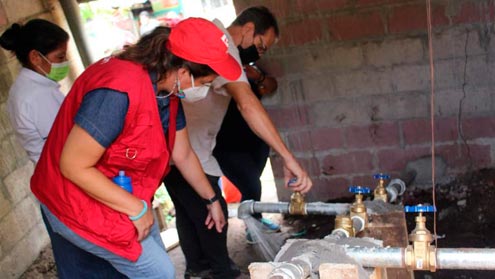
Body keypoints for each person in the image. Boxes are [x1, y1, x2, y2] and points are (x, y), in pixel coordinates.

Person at [30, 18, 241, 279]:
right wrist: (137, 209)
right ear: (184, 72)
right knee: (159, 271)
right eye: (205, 83)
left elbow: (183, 153)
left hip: (116, 193)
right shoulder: (118, 89)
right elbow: (73, 164)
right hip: (73, 197)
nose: (204, 90)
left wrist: (211, 200)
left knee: (150, 263)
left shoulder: (166, 92)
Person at [163, 6, 313, 278]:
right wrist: (288, 157)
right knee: (213, 217)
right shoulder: (221, 49)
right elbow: (248, 104)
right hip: (191, 154)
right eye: (260, 45)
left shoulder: (216, 43)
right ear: (247, 29)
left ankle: (197, 271)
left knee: (190, 218)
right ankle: (222, 272)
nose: (260, 53)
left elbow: (260, 91)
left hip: (177, 151)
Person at [0, 19, 126, 279]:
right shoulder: (35, 95)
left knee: (81, 263)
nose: (63, 63)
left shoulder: (35, 88)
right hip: (64, 188)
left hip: (56, 185)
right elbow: (68, 147)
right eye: (59, 57)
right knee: (93, 265)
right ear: (36, 57)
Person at [213, 61, 280, 234]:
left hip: (255, 139)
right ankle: (253, 226)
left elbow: (271, 86)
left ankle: (254, 223)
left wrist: (258, 76)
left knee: (252, 184)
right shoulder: (212, 67)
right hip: (226, 144)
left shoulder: (250, 66)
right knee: (251, 184)